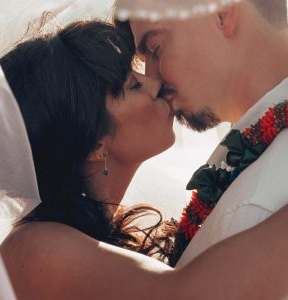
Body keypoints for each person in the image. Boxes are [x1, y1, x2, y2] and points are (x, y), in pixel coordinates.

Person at [0, 18, 288, 300]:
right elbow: (193, 295)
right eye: (133, 85)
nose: (155, 83)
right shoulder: (30, 250)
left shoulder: (84, 241)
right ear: (94, 144)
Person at [120, 0, 288, 266]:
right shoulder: (249, 166)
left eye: (156, 48)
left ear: (221, 13)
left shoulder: (254, 208)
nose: (151, 78)